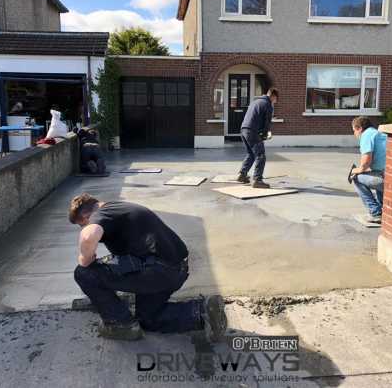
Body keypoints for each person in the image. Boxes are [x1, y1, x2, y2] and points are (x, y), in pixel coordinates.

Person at [69, 194, 228, 341]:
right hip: (175, 270)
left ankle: (120, 325)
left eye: (81, 225)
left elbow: (88, 236)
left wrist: (85, 259)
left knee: (84, 273)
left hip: (159, 271)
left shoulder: (100, 214)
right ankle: (203, 312)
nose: (82, 228)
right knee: (148, 319)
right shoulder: (118, 208)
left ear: (85, 216)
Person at [237, 88, 279, 189]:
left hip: (243, 130)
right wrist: (265, 135)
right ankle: (257, 180)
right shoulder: (268, 104)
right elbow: (267, 123)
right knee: (260, 155)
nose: (275, 101)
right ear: (273, 96)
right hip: (252, 131)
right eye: (276, 99)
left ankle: (242, 175)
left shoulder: (255, 101)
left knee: (251, 153)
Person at [350, 117, 387, 224]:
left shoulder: (366, 135)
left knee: (356, 178)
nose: (354, 134)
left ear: (359, 128)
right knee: (375, 174)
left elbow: (365, 164)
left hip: (385, 177)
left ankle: (375, 213)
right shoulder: (378, 134)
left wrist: (355, 171)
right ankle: (383, 211)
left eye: (354, 131)